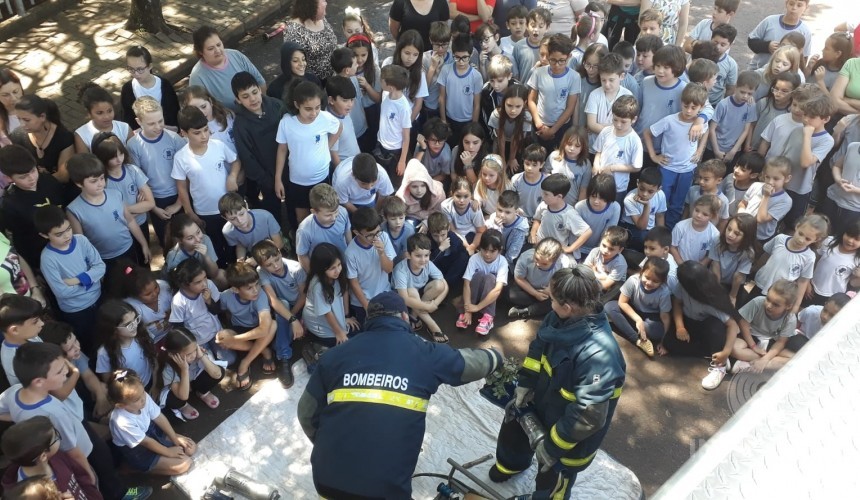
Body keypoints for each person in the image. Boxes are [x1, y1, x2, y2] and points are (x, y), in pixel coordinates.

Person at [298, 291, 500, 497]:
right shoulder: (424, 352)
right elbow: (470, 364)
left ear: (369, 320)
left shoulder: (335, 355)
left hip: (327, 479)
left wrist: (329, 443)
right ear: (404, 317)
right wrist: (496, 356)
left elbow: (306, 414)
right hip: (384, 490)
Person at [490, 265, 625, 495]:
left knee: (552, 476)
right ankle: (509, 465)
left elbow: (588, 415)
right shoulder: (557, 318)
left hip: (569, 431)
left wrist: (552, 447)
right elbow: (538, 347)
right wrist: (526, 382)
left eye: (551, 299)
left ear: (568, 307)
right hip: (542, 400)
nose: (548, 302)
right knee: (514, 431)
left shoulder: (600, 356)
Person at [172, 106, 240, 267]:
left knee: (233, 242)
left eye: (205, 130)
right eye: (197, 133)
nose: (204, 136)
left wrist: (232, 176)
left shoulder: (218, 146)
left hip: (227, 208)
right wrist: (190, 213)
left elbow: (235, 162)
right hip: (204, 212)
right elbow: (181, 187)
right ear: (184, 133)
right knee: (214, 246)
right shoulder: (181, 157)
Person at [35, 205, 104, 356]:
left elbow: (100, 266)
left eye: (68, 229)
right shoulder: (48, 258)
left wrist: (77, 280)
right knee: (88, 345)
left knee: (104, 337)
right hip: (76, 311)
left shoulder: (81, 241)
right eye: (59, 234)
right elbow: (62, 292)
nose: (67, 236)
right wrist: (91, 280)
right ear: (45, 235)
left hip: (98, 298)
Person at [660, 261, 741, 390]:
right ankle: (710, 353)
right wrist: (680, 327)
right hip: (688, 322)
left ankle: (720, 365)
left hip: (707, 327)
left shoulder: (713, 299)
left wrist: (726, 352)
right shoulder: (682, 286)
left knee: (715, 326)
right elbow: (677, 303)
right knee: (669, 343)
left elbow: (732, 325)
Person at [275, 81, 342, 224]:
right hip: (298, 180)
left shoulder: (324, 118)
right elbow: (282, 149)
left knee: (324, 215)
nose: (314, 113)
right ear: (297, 105)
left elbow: (338, 127)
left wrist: (327, 146)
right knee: (303, 219)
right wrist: (278, 178)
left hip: (322, 177)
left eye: (317, 107)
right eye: (308, 109)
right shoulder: (286, 123)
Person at [107, 369, 196, 475]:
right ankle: (134, 467)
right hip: (139, 450)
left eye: (143, 392)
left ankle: (162, 455)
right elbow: (146, 442)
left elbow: (159, 417)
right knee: (185, 464)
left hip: (153, 432)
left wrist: (174, 437)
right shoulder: (121, 422)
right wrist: (168, 452)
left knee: (191, 448)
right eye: (136, 400)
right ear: (121, 405)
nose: (143, 399)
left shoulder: (142, 396)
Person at [126, 97, 186, 251]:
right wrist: (153, 208)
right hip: (155, 199)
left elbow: (186, 174)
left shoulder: (174, 139)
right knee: (166, 242)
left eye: (160, 121)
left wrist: (179, 203)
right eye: (151, 123)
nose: (158, 126)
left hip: (179, 194)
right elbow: (138, 179)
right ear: (139, 121)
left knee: (186, 237)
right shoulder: (134, 145)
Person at [1, 416, 103, 499]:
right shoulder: (31, 495)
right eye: (55, 437)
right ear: (43, 456)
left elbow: (80, 476)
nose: (59, 437)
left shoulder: (57, 457)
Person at [0, 146, 66, 271]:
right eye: (23, 177)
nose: (31, 178)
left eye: (33, 171)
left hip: (67, 240)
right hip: (40, 256)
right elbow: (19, 240)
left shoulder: (48, 181)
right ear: (9, 178)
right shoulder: (9, 204)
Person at [216, 263, 277, 391]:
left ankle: (245, 362)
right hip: (240, 329)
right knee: (221, 337)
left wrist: (234, 340)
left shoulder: (260, 295)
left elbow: (264, 328)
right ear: (235, 289)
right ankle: (264, 351)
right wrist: (229, 337)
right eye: (249, 288)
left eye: (257, 284)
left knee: (272, 324)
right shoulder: (226, 296)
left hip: (260, 332)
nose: (255, 290)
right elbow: (219, 312)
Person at [605, 256, 672, 356]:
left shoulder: (664, 292)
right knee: (609, 307)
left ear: (662, 281)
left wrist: (664, 342)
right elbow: (622, 302)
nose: (649, 283)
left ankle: (623, 325)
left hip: (651, 318)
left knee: (657, 331)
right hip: (632, 310)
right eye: (647, 277)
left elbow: (665, 317)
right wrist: (638, 319)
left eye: (655, 281)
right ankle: (637, 339)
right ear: (641, 272)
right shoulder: (633, 280)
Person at [189, 26, 265, 112]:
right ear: (200, 52)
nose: (218, 50)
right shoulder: (197, 77)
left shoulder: (236, 55)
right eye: (211, 49)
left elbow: (260, 82)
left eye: (219, 45)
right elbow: (200, 109)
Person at [157, 328, 225, 421]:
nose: (193, 355)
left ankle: (202, 393)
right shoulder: (168, 368)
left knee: (219, 371)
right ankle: (183, 406)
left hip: (194, 381)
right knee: (173, 401)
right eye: (188, 354)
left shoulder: (197, 354)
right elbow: (183, 396)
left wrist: (201, 356)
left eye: (195, 349)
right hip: (182, 389)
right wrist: (184, 369)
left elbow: (217, 374)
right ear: (173, 355)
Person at [393, 233, 449, 342]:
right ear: (408, 255)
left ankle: (414, 314)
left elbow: (445, 285)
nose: (423, 260)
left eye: (426, 255)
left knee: (439, 285)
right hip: (402, 296)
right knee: (412, 291)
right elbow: (404, 298)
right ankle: (433, 326)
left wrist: (435, 304)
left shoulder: (428, 264)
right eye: (418, 256)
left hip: (419, 294)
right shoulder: (401, 270)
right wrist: (427, 307)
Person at [8, 96, 75, 185]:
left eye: (26, 120)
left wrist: (34, 181)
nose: (22, 124)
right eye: (19, 119)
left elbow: (63, 176)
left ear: (42, 116)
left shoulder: (64, 137)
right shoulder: (17, 136)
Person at [94, 300, 158, 389]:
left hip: (151, 380)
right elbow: (109, 380)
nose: (135, 325)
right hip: (131, 392)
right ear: (112, 329)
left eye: (136, 319)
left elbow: (153, 359)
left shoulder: (142, 334)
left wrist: (155, 385)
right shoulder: (104, 353)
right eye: (128, 324)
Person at [456, 229, 509, 336]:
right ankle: (464, 312)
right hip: (474, 294)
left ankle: (488, 316)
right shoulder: (474, 259)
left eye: (492, 251)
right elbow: (466, 284)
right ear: (480, 247)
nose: (487, 254)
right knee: (479, 274)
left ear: (499, 250)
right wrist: (468, 309)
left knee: (490, 277)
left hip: (490, 295)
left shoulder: (502, 262)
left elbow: (497, 290)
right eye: (484, 250)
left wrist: (478, 307)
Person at [592, 95, 643, 202]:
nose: (618, 125)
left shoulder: (634, 140)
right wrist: (596, 164)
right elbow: (599, 151)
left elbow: (637, 167)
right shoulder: (606, 131)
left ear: (634, 119)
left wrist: (613, 168)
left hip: (618, 187)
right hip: (599, 182)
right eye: (615, 120)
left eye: (623, 122)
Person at [507, 237, 571, 319]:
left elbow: (562, 281)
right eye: (536, 259)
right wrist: (535, 293)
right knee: (511, 294)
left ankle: (526, 310)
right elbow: (519, 278)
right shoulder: (525, 257)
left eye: (544, 263)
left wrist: (550, 289)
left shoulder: (563, 263)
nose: (538, 264)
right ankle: (536, 306)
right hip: (527, 288)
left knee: (560, 302)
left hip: (548, 292)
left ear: (555, 260)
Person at [120, 46, 180, 130]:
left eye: (140, 69)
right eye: (131, 69)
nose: (136, 73)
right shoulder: (128, 89)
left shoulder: (165, 85)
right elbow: (128, 119)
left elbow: (174, 115)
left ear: (150, 66)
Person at [746, 0, 812, 70]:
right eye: (791, 4)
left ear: (806, 7)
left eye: (799, 5)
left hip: (782, 76)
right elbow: (751, 41)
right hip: (757, 69)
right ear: (786, 3)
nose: (794, 8)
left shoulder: (805, 32)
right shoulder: (770, 21)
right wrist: (767, 46)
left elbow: (803, 59)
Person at [218, 192, 282, 263]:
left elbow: (279, 243)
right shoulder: (228, 231)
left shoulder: (265, 217)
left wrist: (257, 259)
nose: (240, 220)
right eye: (233, 219)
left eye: (241, 214)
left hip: (273, 252)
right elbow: (240, 244)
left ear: (246, 207)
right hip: (253, 254)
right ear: (225, 218)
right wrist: (241, 259)